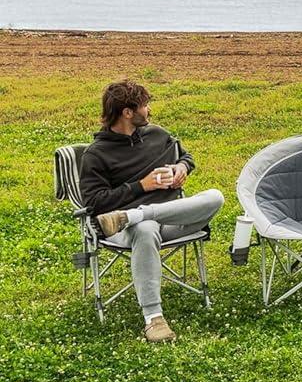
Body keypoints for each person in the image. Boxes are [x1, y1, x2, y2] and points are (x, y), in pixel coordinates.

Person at [78, 78, 224, 342]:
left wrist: (181, 169)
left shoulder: (157, 134)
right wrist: (140, 187)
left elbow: (185, 157)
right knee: (144, 228)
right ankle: (154, 320)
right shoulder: (96, 155)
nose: (149, 111)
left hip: (172, 218)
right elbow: (95, 203)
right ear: (127, 112)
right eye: (145, 105)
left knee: (215, 197)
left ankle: (140, 214)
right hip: (123, 227)